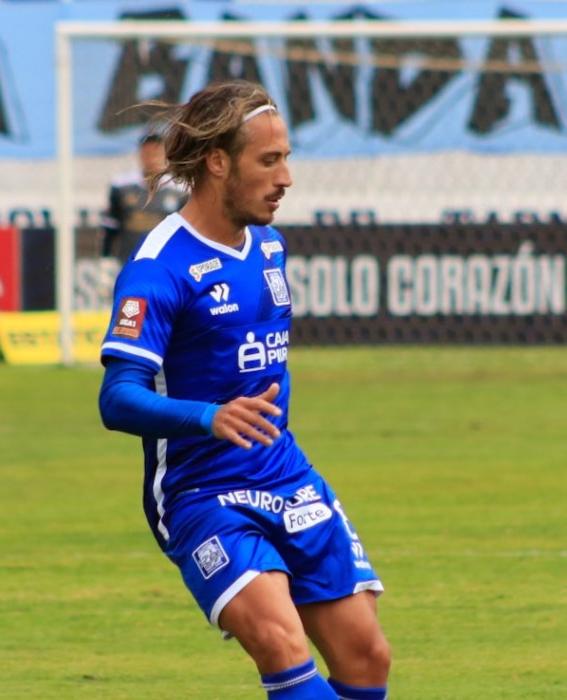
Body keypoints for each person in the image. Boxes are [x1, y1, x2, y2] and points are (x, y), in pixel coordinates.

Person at [97, 81, 391, 700]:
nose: (286, 177)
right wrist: (209, 416)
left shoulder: (269, 247)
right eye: (270, 160)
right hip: (201, 492)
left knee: (367, 656)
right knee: (283, 645)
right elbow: (117, 398)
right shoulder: (159, 268)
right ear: (218, 162)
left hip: (284, 473)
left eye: (287, 158)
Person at [100, 132, 188, 266]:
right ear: (140, 155)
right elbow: (110, 226)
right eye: (147, 154)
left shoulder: (180, 190)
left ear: (165, 155)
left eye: (156, 154)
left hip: (165, 264)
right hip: (129, 262)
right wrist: (106, 257)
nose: (152, 160)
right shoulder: (121, 186)